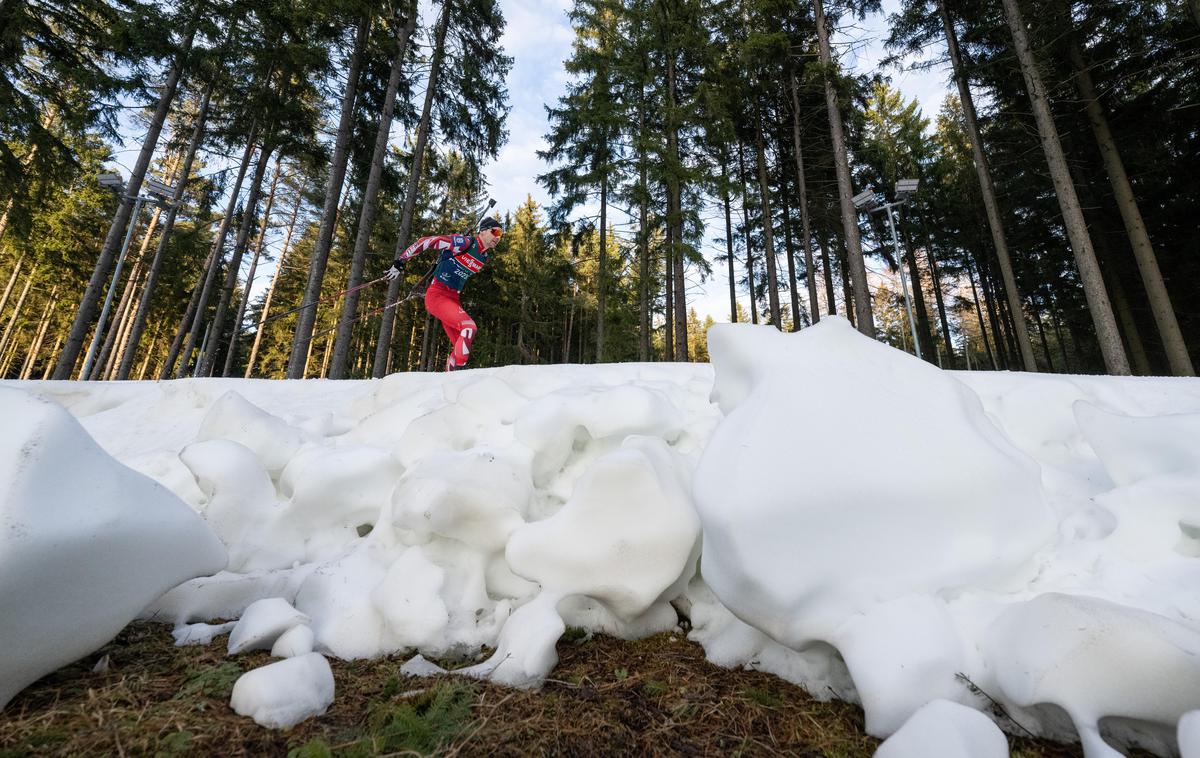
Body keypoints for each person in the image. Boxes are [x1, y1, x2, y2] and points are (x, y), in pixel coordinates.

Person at [385, 217, 504, 371]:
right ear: (482, 231)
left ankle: (449, 381)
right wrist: (401, 260)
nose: (498, 237)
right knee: (469, 328)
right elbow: (427, 241)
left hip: (453, 300)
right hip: (437, 296)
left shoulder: (484, 257)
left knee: (462, 356)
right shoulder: (466, 243)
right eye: (495, 231)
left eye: (501, 234)